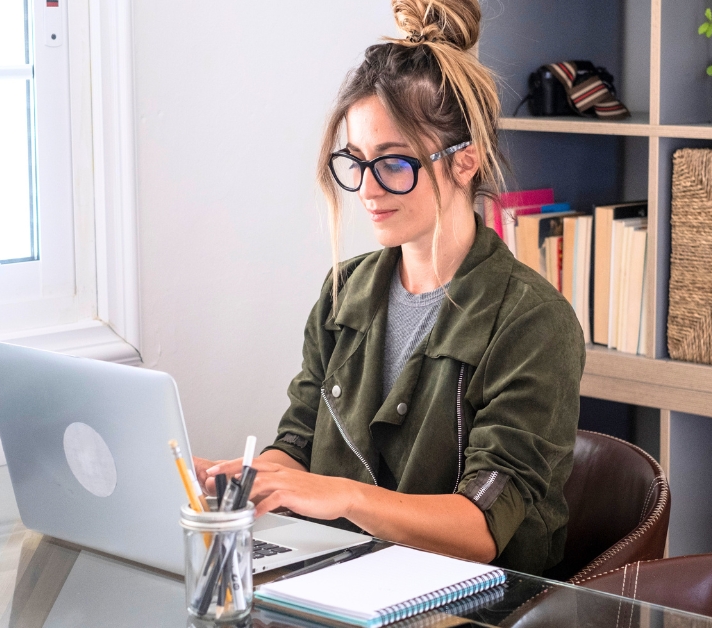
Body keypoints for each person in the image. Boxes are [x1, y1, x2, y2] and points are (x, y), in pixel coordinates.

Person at [196, 0, 585, 575]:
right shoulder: (342, 293)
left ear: (464, 163)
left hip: (477, 605)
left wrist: (348, 497)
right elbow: (299, 441)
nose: (368, 191)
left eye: (394, 163)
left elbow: (481, 528)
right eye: (355, 162)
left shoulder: (532, 321)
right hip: (344, 582)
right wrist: (256, 482)